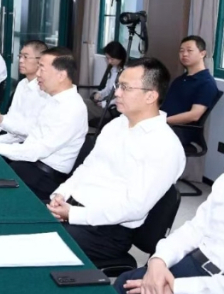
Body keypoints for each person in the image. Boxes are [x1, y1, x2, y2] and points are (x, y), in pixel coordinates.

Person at [47, 57, 185, 266]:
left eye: (125, 88)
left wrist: (74, 214)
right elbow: (87, 167)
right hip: (74, 209)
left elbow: (134, 208)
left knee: (38, 245)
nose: (117, 93)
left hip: (107, 232)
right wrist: (61, 194)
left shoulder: (164, 145)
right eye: (118, 86)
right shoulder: (116, 125)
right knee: (23, 221)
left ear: (150, 96)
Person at [0, 47, 87, 200]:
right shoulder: (52, 99)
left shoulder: (71, 109)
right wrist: (0, 123)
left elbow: (38, 150)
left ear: (61, 75)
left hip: (44, 177)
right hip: (29, 165)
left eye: (42, 69)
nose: (38, 74)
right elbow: (30, 133)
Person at [116, 174, 224, 294]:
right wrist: (158, 261)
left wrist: (174, 288)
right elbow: (195, 229)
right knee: (124, 286)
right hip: (195, 263)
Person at [0, 40, 49, 144]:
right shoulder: (22, 84)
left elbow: (27, 133)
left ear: (40, 61)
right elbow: (11, 117)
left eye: (25, 57)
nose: (21, 60)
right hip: (11, 137)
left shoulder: (43, 90)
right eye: (20, 56)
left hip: (28, 144)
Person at [161, 35, 219, 146]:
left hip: (179, 131)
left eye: (189, 50)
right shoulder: (180, 79)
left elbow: (194, 115)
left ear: (202, 54)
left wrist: (162, 121)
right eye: (181, 51)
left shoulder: (206, 83)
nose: (184, 54)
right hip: (165, 126)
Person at [82, 41, 127, 123]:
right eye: (107, 58)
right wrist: (100, 94)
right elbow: (107, 89)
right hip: (105, 103)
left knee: (83, 104)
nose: (109, 61)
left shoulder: (125, 74)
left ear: (120, 58)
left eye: (112, 59)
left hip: (112, 109)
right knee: (84, 110)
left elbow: (122, 97)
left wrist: (104, 104)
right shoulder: (113, 70)